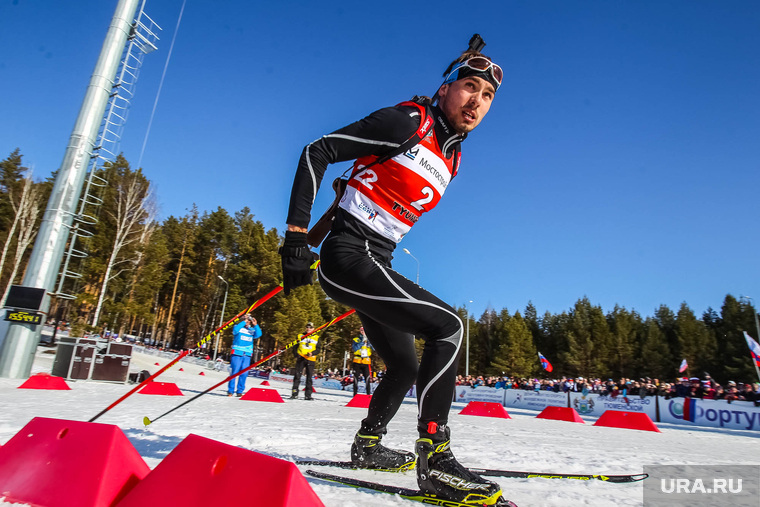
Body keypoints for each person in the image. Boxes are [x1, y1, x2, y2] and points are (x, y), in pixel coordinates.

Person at [278, 36, 509, 506]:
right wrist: (296, 239)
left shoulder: (453, 155)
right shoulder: (410, 121)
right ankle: (437, 459)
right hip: (348, 255)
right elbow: (315, 151)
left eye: (487, 97)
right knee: (448, 327)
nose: (476, 102)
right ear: (445, 88)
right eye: (469, 87)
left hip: (375, 259)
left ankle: (368, 444)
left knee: (404, 363)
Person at [228, 314, 262, 397]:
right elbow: (235, 331)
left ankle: (240, 391)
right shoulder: (238, 327)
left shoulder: (251, 330)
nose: (248, 321)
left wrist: (255, 325)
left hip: (247, 354)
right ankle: (230, 391)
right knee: (234, 372)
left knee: (244, 373)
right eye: (246, 319)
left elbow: (259, 334)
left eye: (249, 320)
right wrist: (243, 322)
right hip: (237, 353)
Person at [291, 322, 320, 400]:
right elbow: (294, 346)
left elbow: (318, 349)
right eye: (307, 327)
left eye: (310, 328)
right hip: (301, 358)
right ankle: (294, 393)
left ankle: (308, 395)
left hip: (310, 359)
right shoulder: (300, 336)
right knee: (297, 376)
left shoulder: (316, 337)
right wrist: (296, 355)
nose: (308, 329)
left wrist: (312, 353)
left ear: (313, 329)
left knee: (309, 377)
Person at [352, 326, 374, 396]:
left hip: (366, 361)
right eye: (361, 330)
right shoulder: (356, 339)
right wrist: (362, 342)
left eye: (364, 330)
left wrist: (369, 343)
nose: (363, 332)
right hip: (357, 361)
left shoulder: (370, 339)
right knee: (356, 378)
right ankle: (355, 394)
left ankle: (368, 395)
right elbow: (355, 348)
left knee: (367, 378)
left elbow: (374, 349)